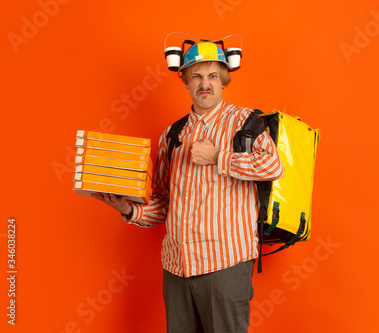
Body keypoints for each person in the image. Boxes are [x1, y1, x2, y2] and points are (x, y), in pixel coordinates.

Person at [91, 40, 284, 332]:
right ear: (185, 81)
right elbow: (164, 202)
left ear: (224, 80)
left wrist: (218, 157)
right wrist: (129, 209)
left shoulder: (245, 122)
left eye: (212, 76)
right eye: (196, 76)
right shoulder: (173, 133)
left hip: (225, 263)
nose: (204, 83)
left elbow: (272, 167)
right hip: (176, 267)